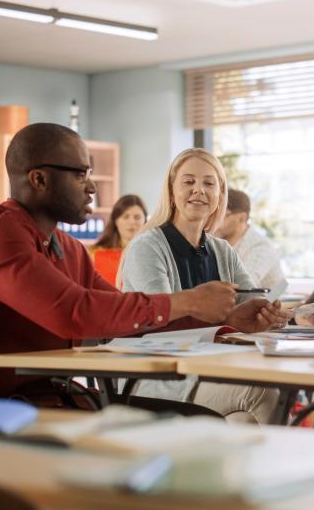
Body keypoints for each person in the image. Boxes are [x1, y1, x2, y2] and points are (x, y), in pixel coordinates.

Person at [0, 123, 285, 402]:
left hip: (48, 395)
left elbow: (126, 315)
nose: (91, 187)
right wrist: (190, 300)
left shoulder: (67, 248)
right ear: (39, 179)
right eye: (80, 174)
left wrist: (225, 322)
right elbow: (72, 312)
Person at [120, 149, 291, 424]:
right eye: (188, 182)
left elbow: (250, 303)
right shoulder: (147, 247)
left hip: (211, 370)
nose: (199, 190)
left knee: (244, 421)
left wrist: (266, 316)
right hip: (159, 378)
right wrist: (229, 321)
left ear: (219, 195)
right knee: (262, 393)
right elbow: (159, 323)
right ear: (172, 190)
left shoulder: (222, 250)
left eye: (209, 183)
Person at [214, 188, 288, 298]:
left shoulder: (260, 247)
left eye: (223, 215)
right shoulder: (220, 244)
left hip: (270, 310)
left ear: (241, 218)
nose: (216, 221)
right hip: (243, 308)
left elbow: (242, 288)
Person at [89, 194, 147, 285]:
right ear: (115, 221)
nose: (132, 222)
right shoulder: (95, 253)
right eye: (125, 217)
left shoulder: (152, 254)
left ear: (145, 221)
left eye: (137, 217)